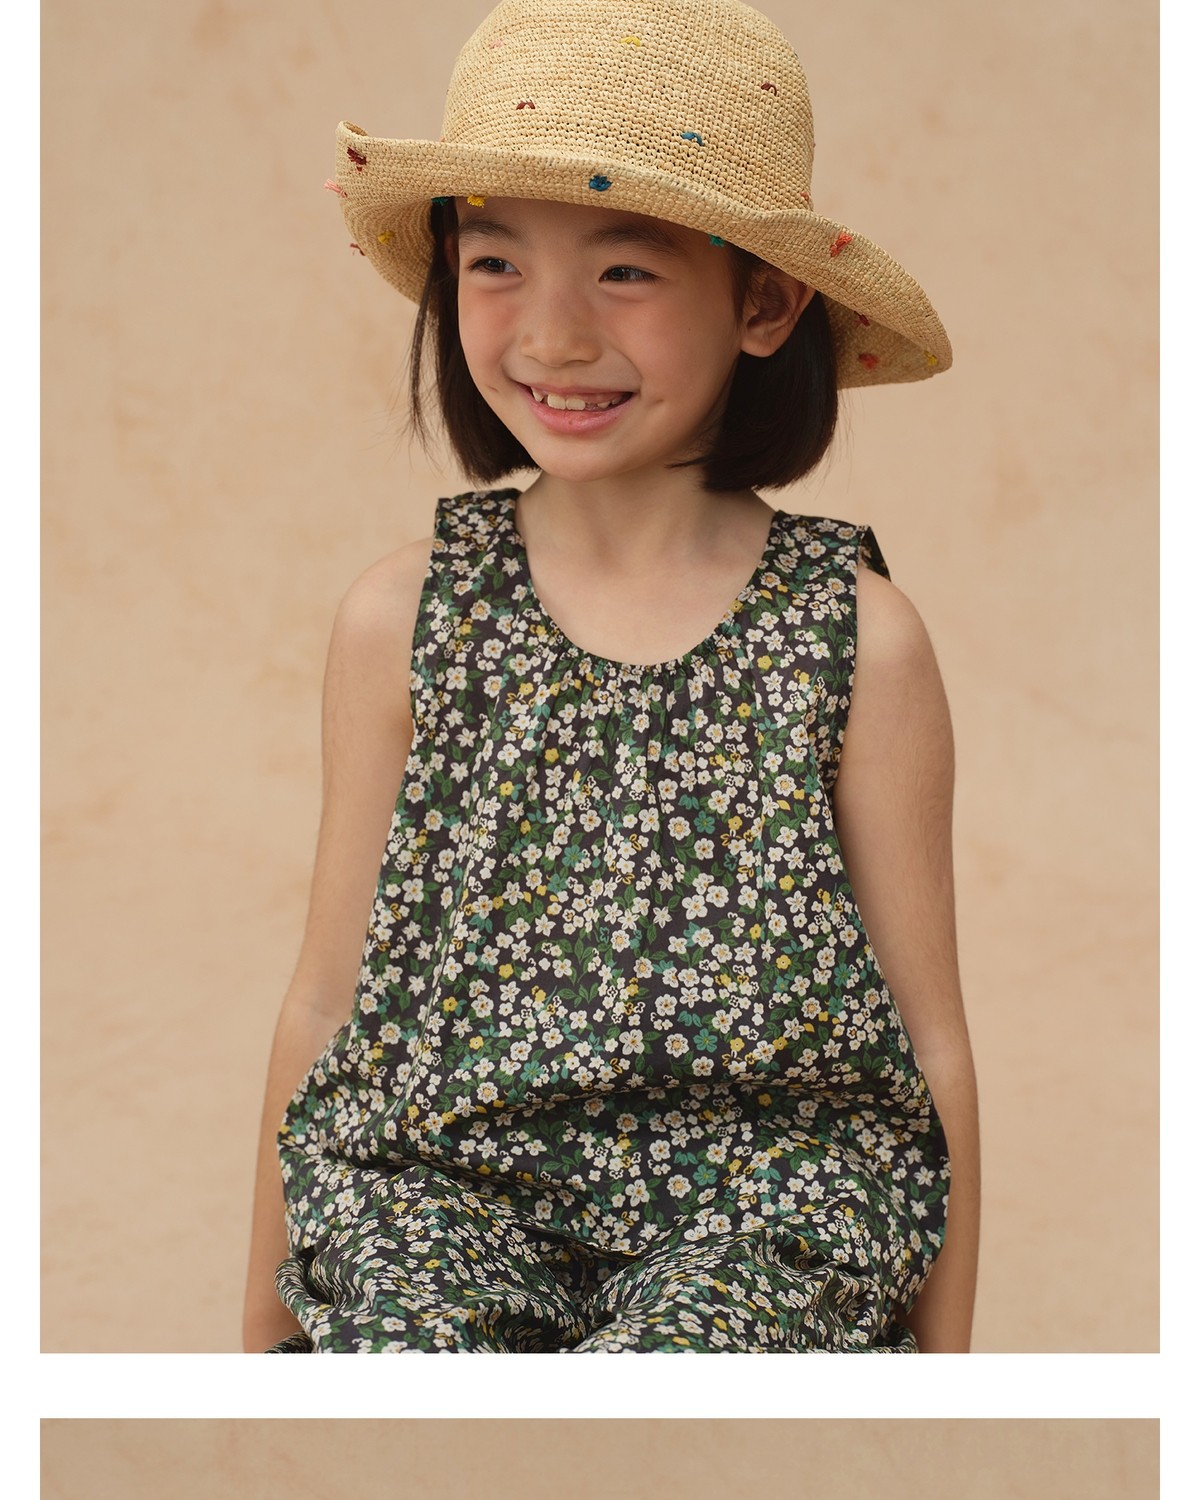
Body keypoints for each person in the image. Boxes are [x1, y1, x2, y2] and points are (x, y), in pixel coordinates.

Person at [243, 0, 979, 1353]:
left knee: (688, 1370)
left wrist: (943, 1400)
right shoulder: (399, 619)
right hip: (446, 1194)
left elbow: (927, 1040)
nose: (553, 334)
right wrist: (255, 1366)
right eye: (495, 263)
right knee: (411, 1347)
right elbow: (325, 1002)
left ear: (765, 302)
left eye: (625, 270)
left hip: (766, 1208)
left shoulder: (859, 639)